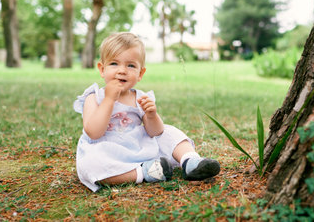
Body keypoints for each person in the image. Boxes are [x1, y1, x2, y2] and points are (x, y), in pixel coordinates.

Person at [73, 32, 220, 192]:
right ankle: (145, 172)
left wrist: (151, 115)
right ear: (102, 69)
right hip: (108, 150)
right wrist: (109, 100)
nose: (122, 70)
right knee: (90, 164)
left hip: (139, 145)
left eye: (131, 65)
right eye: (114, 63)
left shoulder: (140, 97)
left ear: (140, 73)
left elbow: (155, 131)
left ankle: (190, 162)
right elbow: (93, 133)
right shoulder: (94, 97)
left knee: (168, 131)